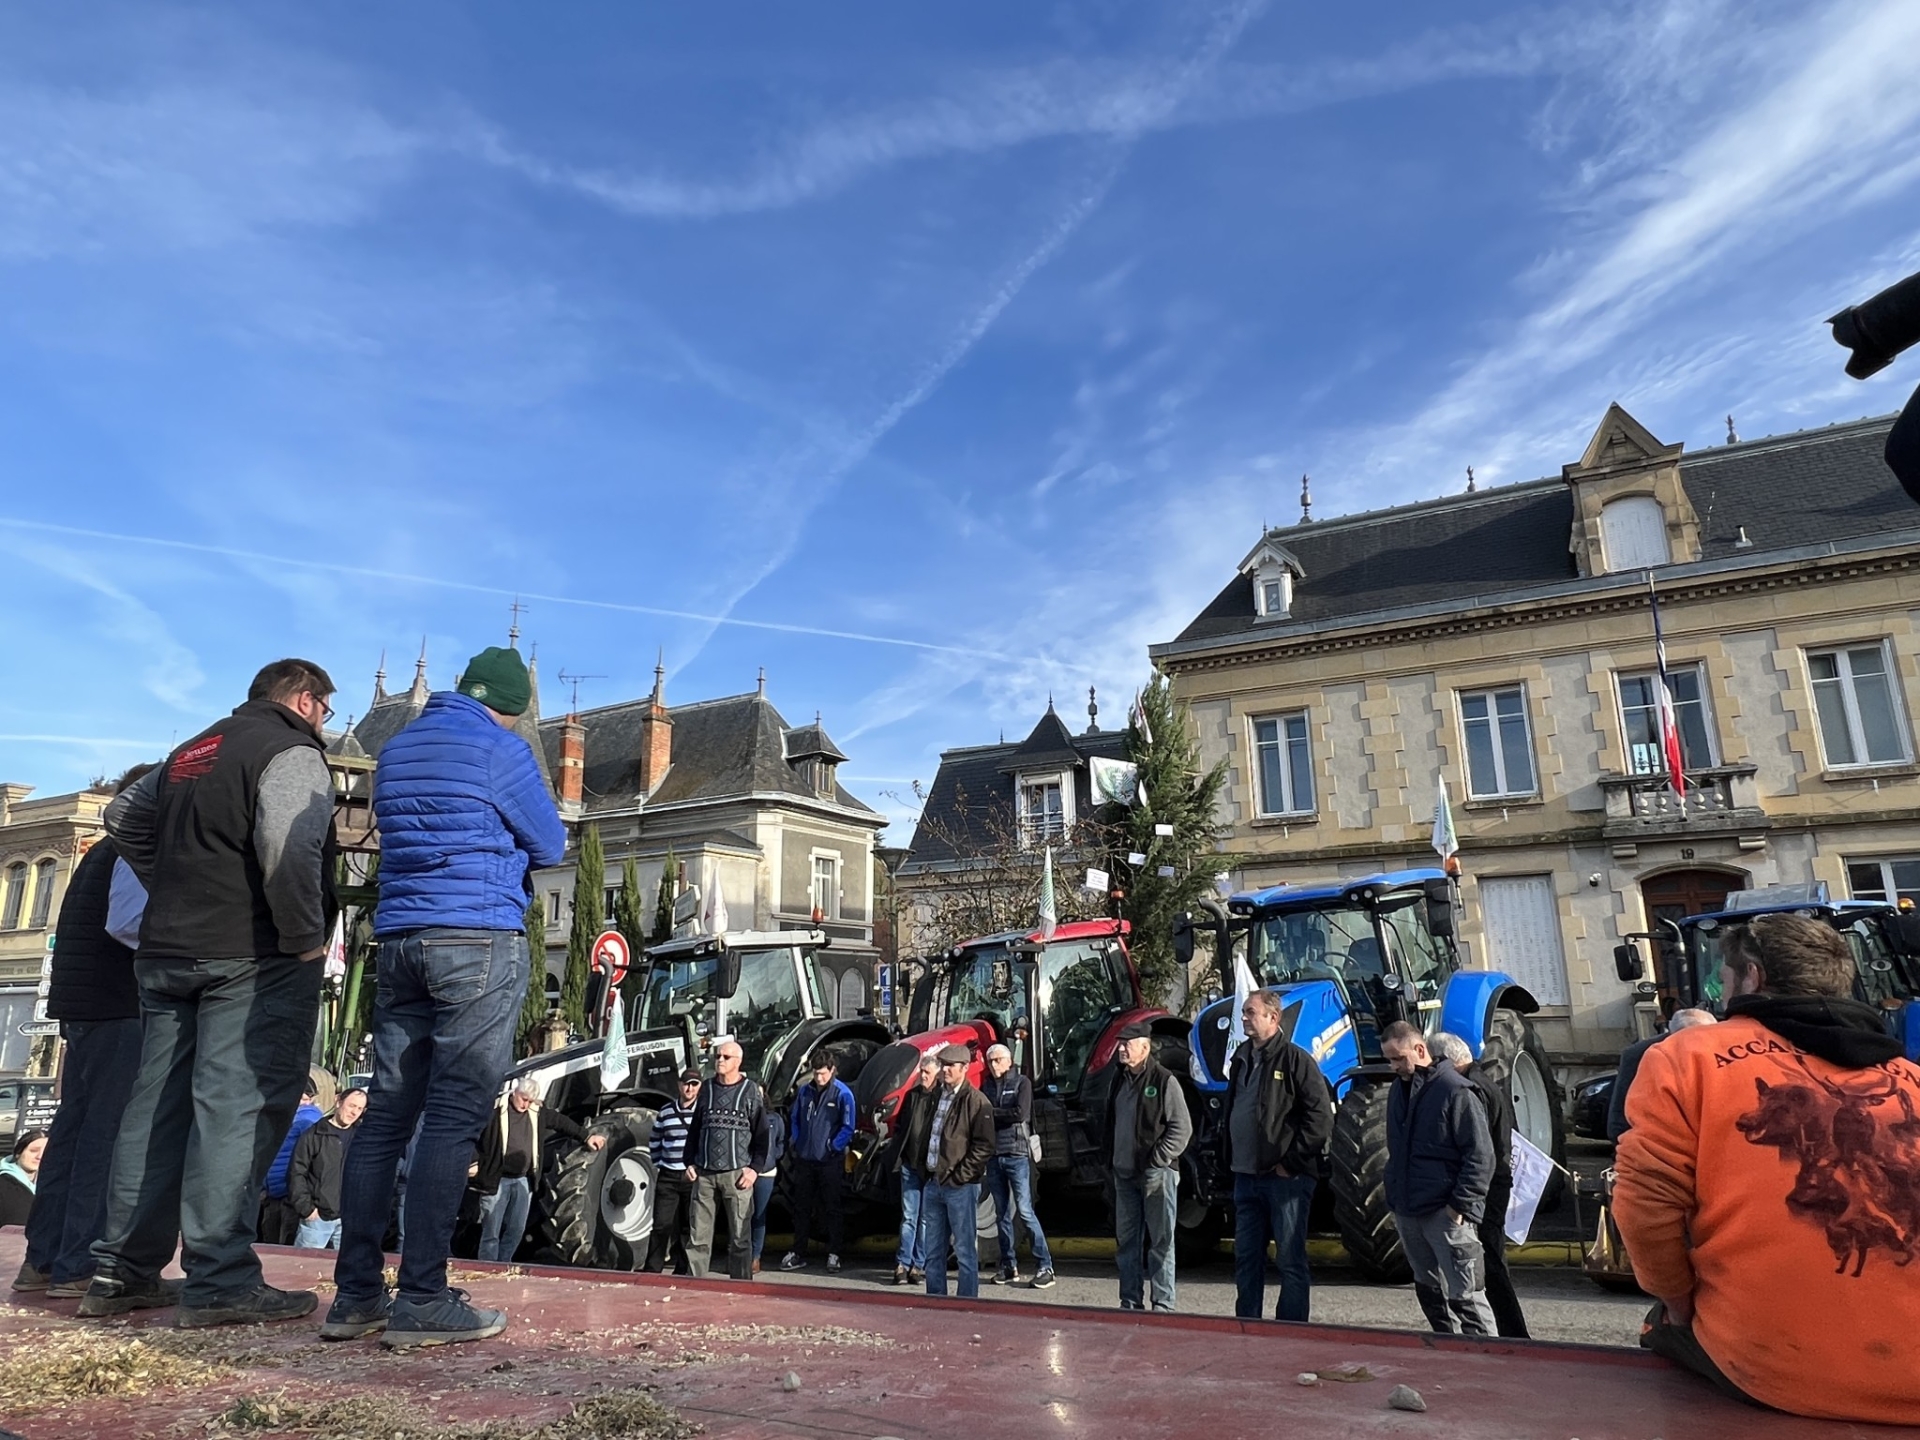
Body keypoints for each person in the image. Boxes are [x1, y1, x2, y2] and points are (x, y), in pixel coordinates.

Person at [84, 659, 338, 1327]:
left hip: (166, 951)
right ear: (307, 701)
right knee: (239, 1106)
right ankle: (220, 1277)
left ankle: (118, 1270)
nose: (326, 727)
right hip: (250, 955)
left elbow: (120, 815)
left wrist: (172, 878)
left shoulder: (192, 748)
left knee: (157, 1107)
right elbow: (290, 848)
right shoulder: (290, 750)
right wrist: (304, 936)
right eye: (327, 714)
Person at [326, 646, 567, 1348]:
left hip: (400, 939)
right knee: (453, 1117)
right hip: (478, 937)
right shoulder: (502, 751)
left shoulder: (396, 750)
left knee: (385, 1115)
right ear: (512, 705)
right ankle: (424, 1295)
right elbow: (550, 844)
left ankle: (355, 1296)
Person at [1614, 914, 1920, 1423]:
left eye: (1724, 978)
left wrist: (1678, 1300)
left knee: (1660, 1327)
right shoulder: (1910, 1078)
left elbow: (1645, 1206)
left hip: (1783, 1374)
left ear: (1751, 978)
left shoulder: (1686, 1056)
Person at [15, 763, 153, 1299]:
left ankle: (45, 1259)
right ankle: (77, 1262)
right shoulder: (132, 852)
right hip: (118, 1006)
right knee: (103, 1137)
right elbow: (129, 924)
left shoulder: (102, 852)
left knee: (74, 1135)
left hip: (89, 1006)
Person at [1223, 990, 1333, 1323]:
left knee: (1289, 1259)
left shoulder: (1295, 1060)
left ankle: (1291, 1329)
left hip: (1285, 1180)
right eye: (1243, 1012)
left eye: (1250, 1012)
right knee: (1246, 1258)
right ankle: (1248, 1326)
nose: (1243, 1018)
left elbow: (1320, 1118)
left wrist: (1292, 1162)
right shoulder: (1241, 1059)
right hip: (1246, 1177)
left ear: (1273, 1017)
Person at [1380, 1021, 1496, 1336]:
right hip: (1409, 1209)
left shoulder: (1456, 1091)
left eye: (1399, 1058)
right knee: (1430, 1294)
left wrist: (1459, 1206)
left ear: (1420, 1050)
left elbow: (1481, 1156)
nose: (1395, 1067)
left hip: (1445, 1213)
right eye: (1390, 1060)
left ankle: (1492, 1366)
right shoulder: (1399, 1091)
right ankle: (1449, 1355)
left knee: (1467, 1298)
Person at [1432, 1032, 1526, 1339]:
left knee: (1490, 1262)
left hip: (1488, 1186)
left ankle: (1511, 1334)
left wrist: (1464, 1198)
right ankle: (1509, 1332)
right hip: (1492, 1182)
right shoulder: (1481, 1081)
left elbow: (1479, 1149)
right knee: (1490, 1260)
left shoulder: (1471, 1089)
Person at [1105, 1021, 1191, 1313]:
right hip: (1124, 1175)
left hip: (1157, 1175)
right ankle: (1130, 1301)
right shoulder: (1118, 1079)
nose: (1121, 1049)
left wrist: (1157, 1159)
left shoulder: (1164, 1081)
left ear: (1144, 1047)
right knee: (1127, 1243)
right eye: (1121, 1043)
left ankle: (1163, 1304)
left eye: (1127, 1044)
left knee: (1161, 1243)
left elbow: (1182, 1129)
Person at [470, 1077, 603, 1263]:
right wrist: (473, 1162)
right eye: (523, 1099)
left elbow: (561, 1122)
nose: (526, 1104)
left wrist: (586, 1135)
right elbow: (472, 1132)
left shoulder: (536, 1112)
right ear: (515, 1093)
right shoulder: (494, 1110)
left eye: (530, 1101)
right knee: (492, 1229)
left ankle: (503, 1263)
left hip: (523, 1179)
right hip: (496, 1179)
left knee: (516, 1229)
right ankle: (487, 1267)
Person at [682, 1040, 771, 1281]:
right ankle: (693, 1289)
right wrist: (688, 1161)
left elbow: (762, 1134)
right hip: (704, 1173)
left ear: (738, 1062)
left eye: (726, 1057)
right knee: (698, 1237)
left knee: (740, 1238)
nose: (720, 1060)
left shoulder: (750, 1091)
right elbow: (696, 1128)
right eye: (717, 1056)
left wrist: (754, 1170)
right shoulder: (707, 1088)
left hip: (737, 1175)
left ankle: (741, 1288)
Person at [919, 1043, 995, 1299]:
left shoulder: (976, 1101)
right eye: (943, 1065)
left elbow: (984, 1146)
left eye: (951, 1065)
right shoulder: (936, 1096)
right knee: (933, 1251)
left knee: (964, 1250)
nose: (945, 1070)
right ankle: (936, 1302)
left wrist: (961, 1176)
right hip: (934, 1182)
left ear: (964, 1068)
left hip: (959, 1186)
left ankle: (966, 1305)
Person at [982, 1043, 1054, 1288]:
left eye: (997, 1060)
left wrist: (994, 1113)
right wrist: (998, 1113)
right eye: (990, 1061)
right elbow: (987, 1114)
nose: (993, 1065)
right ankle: (1008, 1265)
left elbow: (1020, 1113)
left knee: (1024, 1211)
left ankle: (1045, 1265)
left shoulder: (1022, 1083)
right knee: (1001, 1214)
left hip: (1017, 1154)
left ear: (1008, 1060)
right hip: (994, 1155)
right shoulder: (987, 1086)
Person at [781, 1053, 854, 1273]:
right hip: (805, 1159)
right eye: (816, 1073)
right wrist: (796, 1140)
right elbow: (795, 1118)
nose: (819, 1077)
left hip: (829, 1161)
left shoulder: (843, 1093)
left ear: (831, 1070)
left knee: (832, 1207)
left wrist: (833, 1147)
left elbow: (848, 1126)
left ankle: (834, 1253)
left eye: (823, 1073)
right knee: (801, 1208)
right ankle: (798, 1251)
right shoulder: (805, 1091)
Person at [1606, 1009, 1716, 1142]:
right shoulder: (1639, 1054)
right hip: (1657, 1141)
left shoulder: (1723, 1048)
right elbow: (1621, 1109)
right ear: (1672, 1035)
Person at [885, 1053, 941, 1285]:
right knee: (909, 1217)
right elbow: (901, 1128)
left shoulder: (942, 1098)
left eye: (927, 1073)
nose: (923, 1077)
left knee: (925, 1220)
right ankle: (902, 1265)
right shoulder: (912, 1096)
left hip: (929, 1168)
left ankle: (918, 1265)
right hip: (909, 1164)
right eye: (922, 1072)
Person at [289, 1090, 366, 1250]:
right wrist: (307, 1209)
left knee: (346, 1271)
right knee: (305, 1269)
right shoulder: (314, 1135)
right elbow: (296, 1172)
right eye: (351, 1105)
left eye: (359, 1109)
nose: (354, 1112)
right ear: (338, 1101)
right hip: (317, 1220)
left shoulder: (362, 1138)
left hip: (349, 1220)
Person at [645, 1070, 702, 1275]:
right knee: (661, 1225)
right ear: (679, 1085)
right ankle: (652, 1270)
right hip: (668, 1176)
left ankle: (683, 1269)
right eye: (687, 1084)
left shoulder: (702, 1112)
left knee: (688, 1227)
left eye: (694, 1084)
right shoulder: (666, 1111)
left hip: (691, 1177)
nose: (690, 1089)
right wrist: (660, 1162)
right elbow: (655, 1140)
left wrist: (696, 1166)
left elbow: (704, 1143)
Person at [260, 1083, 325, 1245]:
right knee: (272, 1242)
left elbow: (311, 1160)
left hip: (289, 1195)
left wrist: (302, 1199)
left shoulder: (306, 1120)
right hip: (274, 1191)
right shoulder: (285, 1118)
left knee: (284, 1244)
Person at [749, 1103, 784, 1275]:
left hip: (766, 1172)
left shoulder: (776, 1119)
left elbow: (780, 1143)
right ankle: (738, 1256)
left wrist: (771, 1158)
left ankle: (755, 1257)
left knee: (759, 1215)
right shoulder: (744, 1116)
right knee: (740, 1215)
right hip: (744, 1171)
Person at [0, 1131, 45, 1227]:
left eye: (46, 1152)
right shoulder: (3, 1185)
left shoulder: (54, 1187)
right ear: (18, 1153)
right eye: (33, 1151)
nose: (39, 1156)